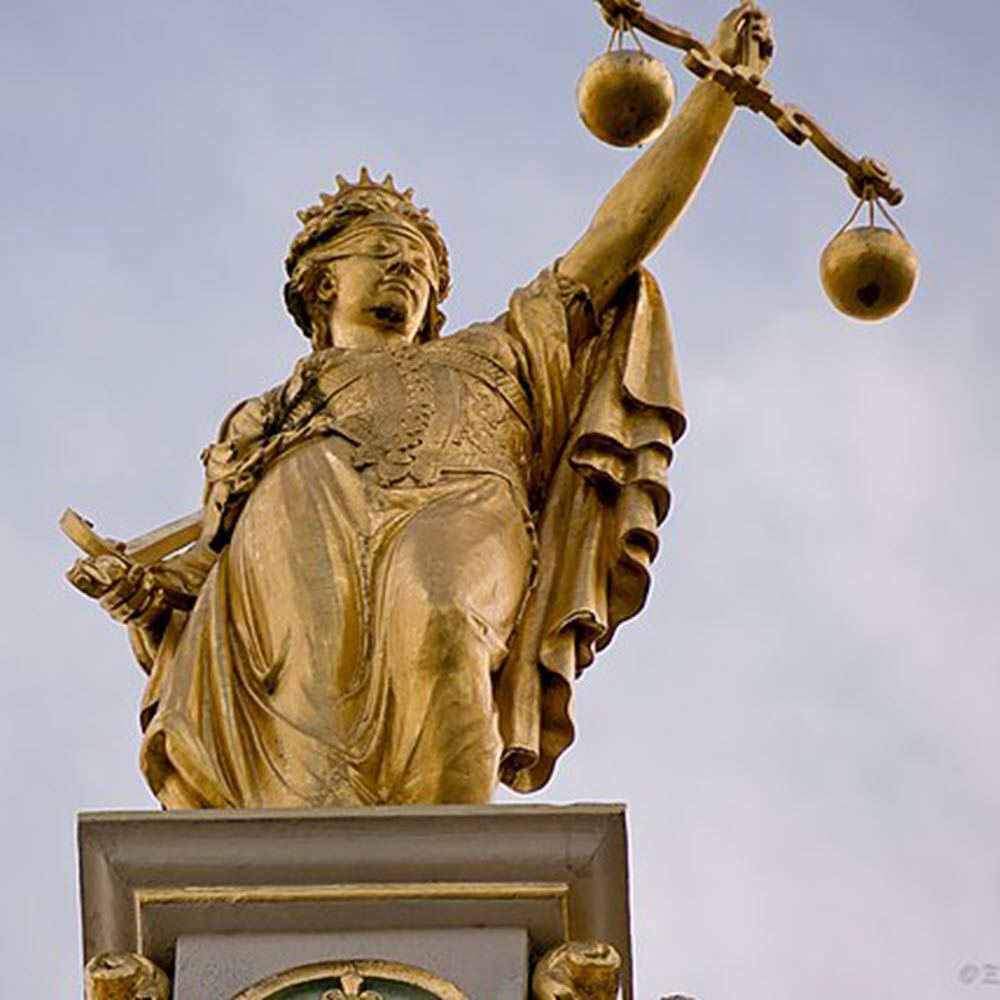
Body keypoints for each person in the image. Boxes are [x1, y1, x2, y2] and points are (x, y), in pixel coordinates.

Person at [69, 7, 773, 808]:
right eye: (383, 254)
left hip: (462, 501)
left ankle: (453, 869)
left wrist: (716, 94)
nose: (407, 272)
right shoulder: (264, 414)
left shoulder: (494, 353)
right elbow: (221, 557)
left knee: (440, 616)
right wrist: (149, 594)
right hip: (304, 534)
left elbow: (615, 239)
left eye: (422, 267)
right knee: (304, 691)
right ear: (324, 281)